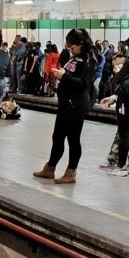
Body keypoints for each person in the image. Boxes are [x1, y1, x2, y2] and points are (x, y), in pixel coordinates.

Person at [33, 29, 96, 184]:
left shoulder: (88, 60)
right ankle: (50, 168)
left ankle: (71, 172)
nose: (70, 50)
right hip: (65, 104)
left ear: (81, 44)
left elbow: (84, 85)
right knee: (57, 137)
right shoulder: (75, 58)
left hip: (76, 105)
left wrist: (64, 76)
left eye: (72, 47)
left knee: (73, 140)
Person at [99, 32, 129, 176]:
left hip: (127, 97)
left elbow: (119, 78)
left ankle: (120, 166)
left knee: (124, 132)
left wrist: (118, 70)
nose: (128, 50)